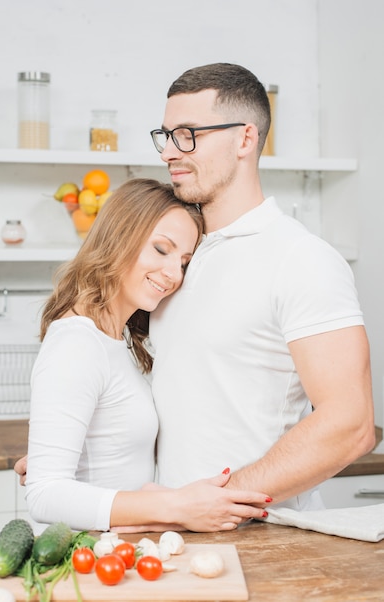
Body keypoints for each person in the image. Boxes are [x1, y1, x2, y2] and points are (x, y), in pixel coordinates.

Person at [146, 62, 375, 516]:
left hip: (262, 537)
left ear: (245, 139)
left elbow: (351, 425)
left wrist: (221, 501)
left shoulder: (300, 258)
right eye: (166, 135)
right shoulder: (177, 257)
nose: (170, 152)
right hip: (173, 527)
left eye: (189, 134)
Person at [23, 177, 271, 533]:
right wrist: (178, 506)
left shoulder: (118, 336)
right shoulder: (77, 343)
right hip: (91, 560)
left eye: (184, 261)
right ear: (118, 237)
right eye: (161, 249)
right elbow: (45, 495)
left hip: (121, 555)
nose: (173, 274)